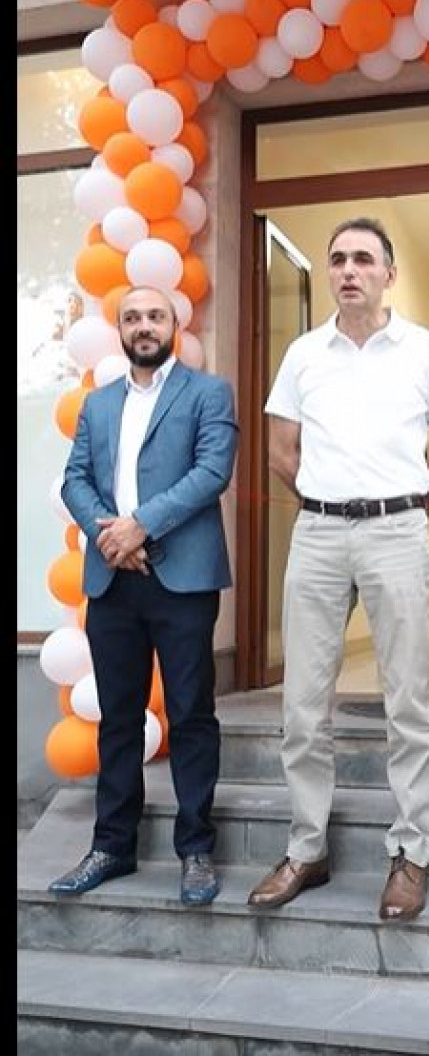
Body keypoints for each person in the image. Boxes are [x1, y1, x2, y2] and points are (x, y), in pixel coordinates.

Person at [246, 217, 429, 922]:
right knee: (302, 706)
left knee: (407, 702)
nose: (348, 270)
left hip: (397, 530)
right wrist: (329, 500)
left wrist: (405, 508)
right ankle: (306, 849)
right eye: (338, 258)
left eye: (364, 259)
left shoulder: (424, 350)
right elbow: (281, 450)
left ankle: (409, 854)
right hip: (317, 534)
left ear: (388, 274)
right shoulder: (303, 354)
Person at [49, 286, 239, 907]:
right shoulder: (99, 404)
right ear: (121, 330)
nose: (144, 326)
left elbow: (211, 472)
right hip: (113, 581)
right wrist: (110, 536)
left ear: (173, 324)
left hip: (183, 580)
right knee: (119, 718)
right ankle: (112, 846)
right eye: (132, 318)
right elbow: (75, 479)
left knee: (190, 714)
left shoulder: (208, 393)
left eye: (155, 316)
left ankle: (196, 850)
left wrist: (141, 526)